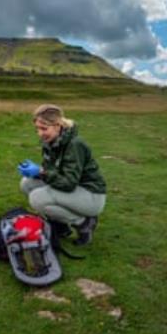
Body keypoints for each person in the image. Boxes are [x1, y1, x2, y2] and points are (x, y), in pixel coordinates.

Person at [18, 104, 106, 245]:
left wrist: (41, 172)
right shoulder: (51, 141)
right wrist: (34, 172)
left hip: (91, 196)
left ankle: (84, 223)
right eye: (37, 129)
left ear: (58, 125)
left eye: (44, 128)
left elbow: (69, 183)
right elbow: (52, 171)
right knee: (27, 184)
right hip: (74, 190)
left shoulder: (75, 145)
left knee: (37, 198)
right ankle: (60, 226)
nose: (40, 134)